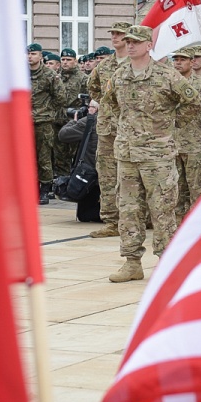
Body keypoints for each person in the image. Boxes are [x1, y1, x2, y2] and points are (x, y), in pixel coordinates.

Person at [101, 25, 201, 283]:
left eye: (136, 42)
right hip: (127, 154)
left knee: (162, 210)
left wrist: (170, 124)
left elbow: (194, 102)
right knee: (129, 209)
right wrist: (125, 127)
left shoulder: (167, 75)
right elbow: (109, 102)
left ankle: (165, 262)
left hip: (158, 155)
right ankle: (132, 262)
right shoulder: (120, 74)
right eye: (128, 41)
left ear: (148, 45)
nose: (130, 45)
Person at [87, 21, 132, 239]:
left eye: (119, 34)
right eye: (112, 34)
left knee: (131, 176)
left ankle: (136, 219)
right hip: (107, 128)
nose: (115, 38)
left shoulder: (137, 64)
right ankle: (111, 221)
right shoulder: (104, 67)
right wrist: (106, 104)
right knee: (106, 175)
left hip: (131, 129)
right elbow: (93, 87)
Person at [171, 47, 201, 221]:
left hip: (196, 145)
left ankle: (197, 224)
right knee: (176, 190)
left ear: (191, 62)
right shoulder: (169, 83)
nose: (178, 63)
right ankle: (178, 225)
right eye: (176, 59)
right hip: (172, 144)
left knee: (197, 188)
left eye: (183, 59)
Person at [27, 43, 65, 205]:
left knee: (44, 157)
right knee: (28, 157)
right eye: (28, 54)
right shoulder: (20, 74)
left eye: (33, 54)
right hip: (25, 123)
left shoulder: (49, 75)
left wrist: (47, 110)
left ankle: (44, 189)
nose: (30, 57)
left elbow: (60, 97)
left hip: (43, 122)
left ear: (41, 56)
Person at [58, 100, 101, 222]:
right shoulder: (114, 120)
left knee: (85, 215)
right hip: (107, 170)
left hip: (89, 173)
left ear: (97, 109)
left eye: (90, 107)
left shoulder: (89, 122)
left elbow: (63, 135)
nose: (88, 109)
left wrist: (74, 121)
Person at [55, 47, 89, 177]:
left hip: (74, 121)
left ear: (75, 61)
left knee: (75, 154)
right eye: (63, 59)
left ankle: (73, 181)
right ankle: (60, 181)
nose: (65, 62)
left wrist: (81, 111)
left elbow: (88, 99)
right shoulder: (56, 77)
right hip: (57, 119)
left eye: (68, 60)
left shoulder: (83, 78)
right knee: (59, 154)